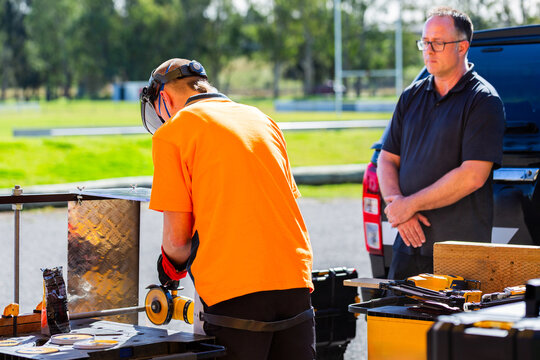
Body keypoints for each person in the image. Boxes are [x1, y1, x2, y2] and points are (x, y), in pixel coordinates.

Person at [140, 58, 315, 360]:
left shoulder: (174, 133)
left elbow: (177, 243)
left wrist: (169, 270)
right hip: (295, 285)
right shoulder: (261, 120)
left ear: (164, 98)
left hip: (236, 296)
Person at [377, 7, 505, 280]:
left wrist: (408, 205)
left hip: (459, 250)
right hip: (408, 243)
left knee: (452, 324)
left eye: (438, 42)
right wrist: (400, 205)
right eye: (425, 42)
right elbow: (387, 159)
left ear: (462, 47)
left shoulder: (483, 101)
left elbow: (472, 176)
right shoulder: (410, 96)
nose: (429, 50)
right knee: (395, 319)